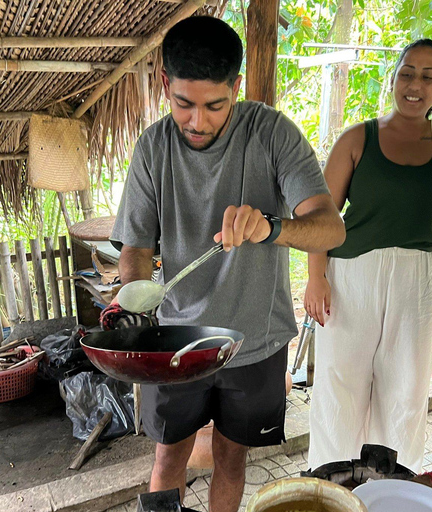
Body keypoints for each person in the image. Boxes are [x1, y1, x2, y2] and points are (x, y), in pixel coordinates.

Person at [110, 16, 345, 512]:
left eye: (215, 105)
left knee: (232, 460)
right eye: (184, 104)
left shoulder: (272, 133)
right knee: (167, 459)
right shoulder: (153, 148)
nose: (198, 121)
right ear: (164, 84)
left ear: (236, 87)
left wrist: (271, 228)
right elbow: (135, 246)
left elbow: (330, 227)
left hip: (253, 341)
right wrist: (133, 298)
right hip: (174, 342)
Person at [305, 39, 432, 473]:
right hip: (350, 278)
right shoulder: (358, 138)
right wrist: (316, 277)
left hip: (416, 282)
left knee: (405, 390)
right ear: (393, 78)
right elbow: (319, 214)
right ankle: (330, 488)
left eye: (428, 76)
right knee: (339, 386)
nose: (415, 84)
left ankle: (391, 489)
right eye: (407, 72)